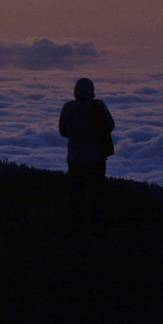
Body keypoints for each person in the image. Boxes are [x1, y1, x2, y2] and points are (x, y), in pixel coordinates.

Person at [59, 77, 115, 230]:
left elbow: (63, 132)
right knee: (96, 196)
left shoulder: (68, 107)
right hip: (96, 159)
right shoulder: (98, 106)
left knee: (77, 197)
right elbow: (110, 126)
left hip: (75, 159)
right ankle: (96, 231)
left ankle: (75, 231)